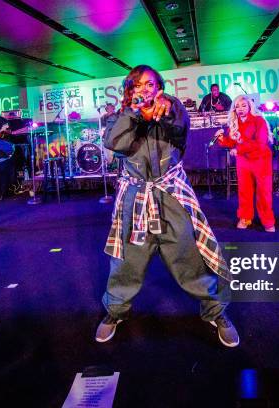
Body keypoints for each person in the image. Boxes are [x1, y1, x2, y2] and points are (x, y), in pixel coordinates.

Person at [97, 65, 238, 347]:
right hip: (135, 197)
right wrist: (134, 113)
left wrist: (168, 104)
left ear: (159, 87)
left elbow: (180, 129)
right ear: (129, 90)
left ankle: (215, 312)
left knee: (190, 255)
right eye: (138, 85)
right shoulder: (120, 117)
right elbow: (114, 142)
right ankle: (115, 312)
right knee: (126, 261)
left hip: (171, 194)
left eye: (150, 84)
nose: (145, 89)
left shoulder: (170, 109)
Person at [216, 95, 275, 232]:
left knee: (264, 192)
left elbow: (261, 143)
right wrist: (221, 139)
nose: (240, 109)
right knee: (244, 191)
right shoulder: (235, 123)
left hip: (261, 160)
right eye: (237, 106)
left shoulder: (258, 121)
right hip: (243, 161)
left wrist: (239, 149)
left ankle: (268, 221)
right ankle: (245, 218)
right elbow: (231, 142)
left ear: (249, 106)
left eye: (243, 105)